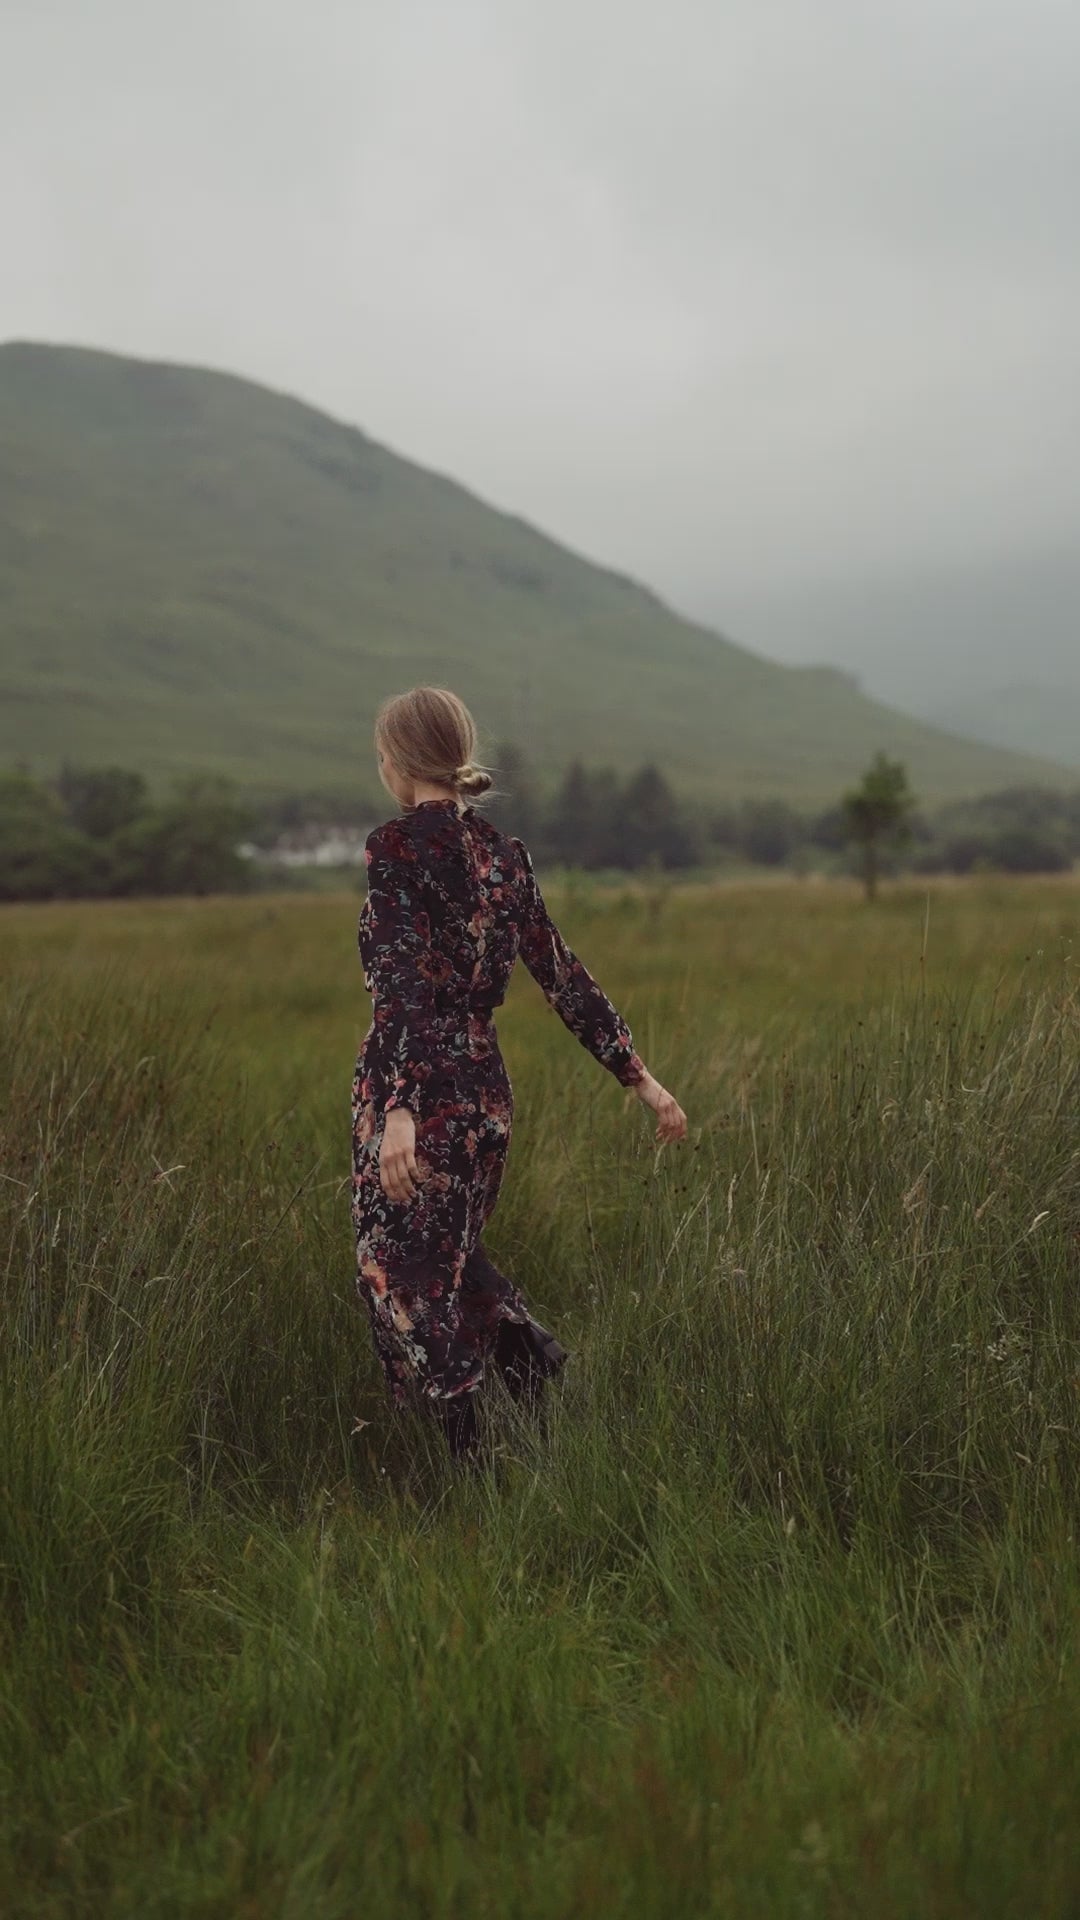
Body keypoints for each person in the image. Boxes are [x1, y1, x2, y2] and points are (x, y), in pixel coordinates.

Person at [351, 686, 688, 1467]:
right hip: (484, 1092)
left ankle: (472, 1462)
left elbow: (401, 984)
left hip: (420, 1088)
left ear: (400, 763)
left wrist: (398, 1110)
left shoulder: (395, 848)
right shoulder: (504, 856)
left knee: (397, 1271)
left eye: (381, 758)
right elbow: (561, 973)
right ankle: (534, 1372)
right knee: (450, 1259)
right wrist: (636, 1074)